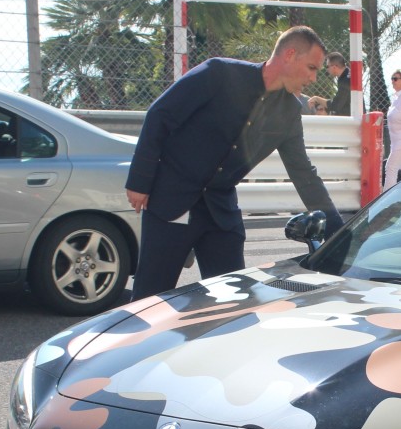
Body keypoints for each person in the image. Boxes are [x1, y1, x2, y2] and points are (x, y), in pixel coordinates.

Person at [124, 25, 343, 300]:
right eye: (311, 68)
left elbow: (304, 175)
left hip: (220, 213)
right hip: (172, 201)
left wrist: (340, 235)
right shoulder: (219, 74)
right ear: (289, 55)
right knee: (149, 299)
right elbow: (160, 115)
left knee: (233, 305)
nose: (313, 78)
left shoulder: (289, 113)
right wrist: (139, 181)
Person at [308, 52, 350, 116]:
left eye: (327, 66)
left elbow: (335, 105)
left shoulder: (345, 80)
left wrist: (316, 98)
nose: (327, 69)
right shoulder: (346, 75)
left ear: (334, 67)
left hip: (351, 120)